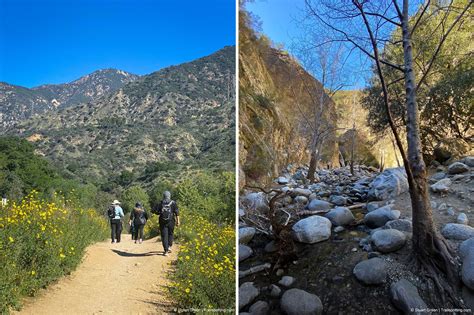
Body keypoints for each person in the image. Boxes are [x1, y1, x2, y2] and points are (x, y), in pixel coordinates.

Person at [154, 191, 179, 256]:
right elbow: (177, 212)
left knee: (164, 235)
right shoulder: (173, 203)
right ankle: (169, 246)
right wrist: (178, 221)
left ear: (163, 196)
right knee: (170, 233)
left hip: (162, 222)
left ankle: (166, 251)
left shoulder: (160, 203)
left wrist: (160, 213)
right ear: (169, 196)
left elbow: (155, 211)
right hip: (171, 221)